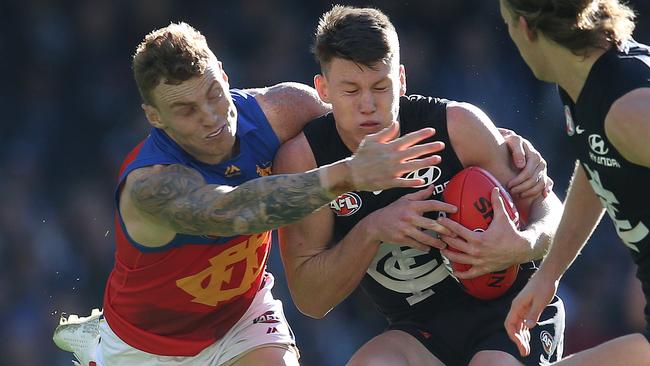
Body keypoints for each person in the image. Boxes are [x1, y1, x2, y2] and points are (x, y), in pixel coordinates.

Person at [51, 21, 451, 366]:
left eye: (212, 93)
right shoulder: (151, 186)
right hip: (146, 348)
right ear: (155, 118)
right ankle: (100, 339)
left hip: (243, 316)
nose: (211, 117)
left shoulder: (286, 109)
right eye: (186, 110)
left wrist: (490, 141)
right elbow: (231, 212)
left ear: (224, 76)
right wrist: (348, 174)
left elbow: (367, 119)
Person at [275, 5, 564, 366]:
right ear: (323, 89)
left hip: (514, 305)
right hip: (420, 328)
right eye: (350, 90)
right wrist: (372, 230)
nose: (368, 106)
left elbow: (551, 210)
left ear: (402, 79)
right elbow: (311, 300)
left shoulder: (456, 125)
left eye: (381, 87)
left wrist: (522, 244)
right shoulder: (305, 161)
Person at [499, 0, 650, 365]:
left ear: (526, 28)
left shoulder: (630, 111)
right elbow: (597, 161)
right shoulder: (582, 79)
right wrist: (549, 274)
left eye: (506, 24)